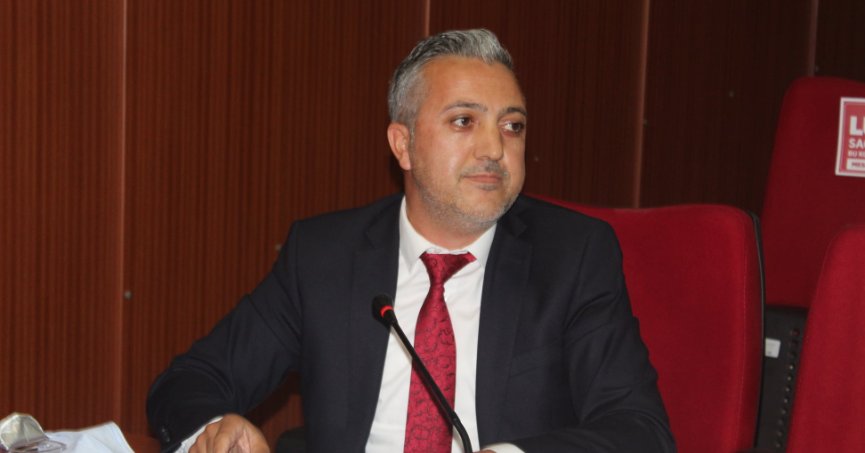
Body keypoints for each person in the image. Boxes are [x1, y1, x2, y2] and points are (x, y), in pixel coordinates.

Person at [147, 29, 675, 453]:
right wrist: (215, 429)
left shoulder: (572, 256)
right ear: (403, 144)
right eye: (464, 121)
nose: (494, 148)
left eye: (512, 126)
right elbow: (190, 381)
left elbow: (639, 430)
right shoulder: (324, 256)